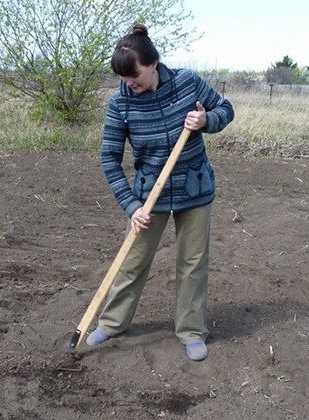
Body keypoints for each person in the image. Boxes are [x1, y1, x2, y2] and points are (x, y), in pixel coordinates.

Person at [87, 23, 234, 361]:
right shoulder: (121, 101)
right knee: (132, 261)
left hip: (194, 189)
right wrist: (131, 204)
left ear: (154, 64)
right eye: (124, 78)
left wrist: (206, 120)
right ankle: (111, 323)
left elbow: (226, 109)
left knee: (192, 264)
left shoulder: (186, 82)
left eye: (134, 75)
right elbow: (109, 159)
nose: (129, 83)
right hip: (147, 196)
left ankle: (192, 330)